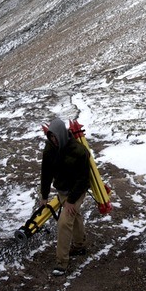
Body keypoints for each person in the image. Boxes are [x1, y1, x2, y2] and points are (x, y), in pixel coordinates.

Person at [40, 117, 90, 276]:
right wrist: (44, 195)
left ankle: (62, 263)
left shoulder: (79, 151)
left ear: (61, 134)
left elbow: (83, 179)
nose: (54, 140)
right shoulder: (50, 149)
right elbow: (46, 173)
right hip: (62, 189)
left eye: (56, 137)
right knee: (74, 217)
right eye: (51, 137)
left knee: (63, 223)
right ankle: (80, 245)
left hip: (76, 191)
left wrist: (71, 201)